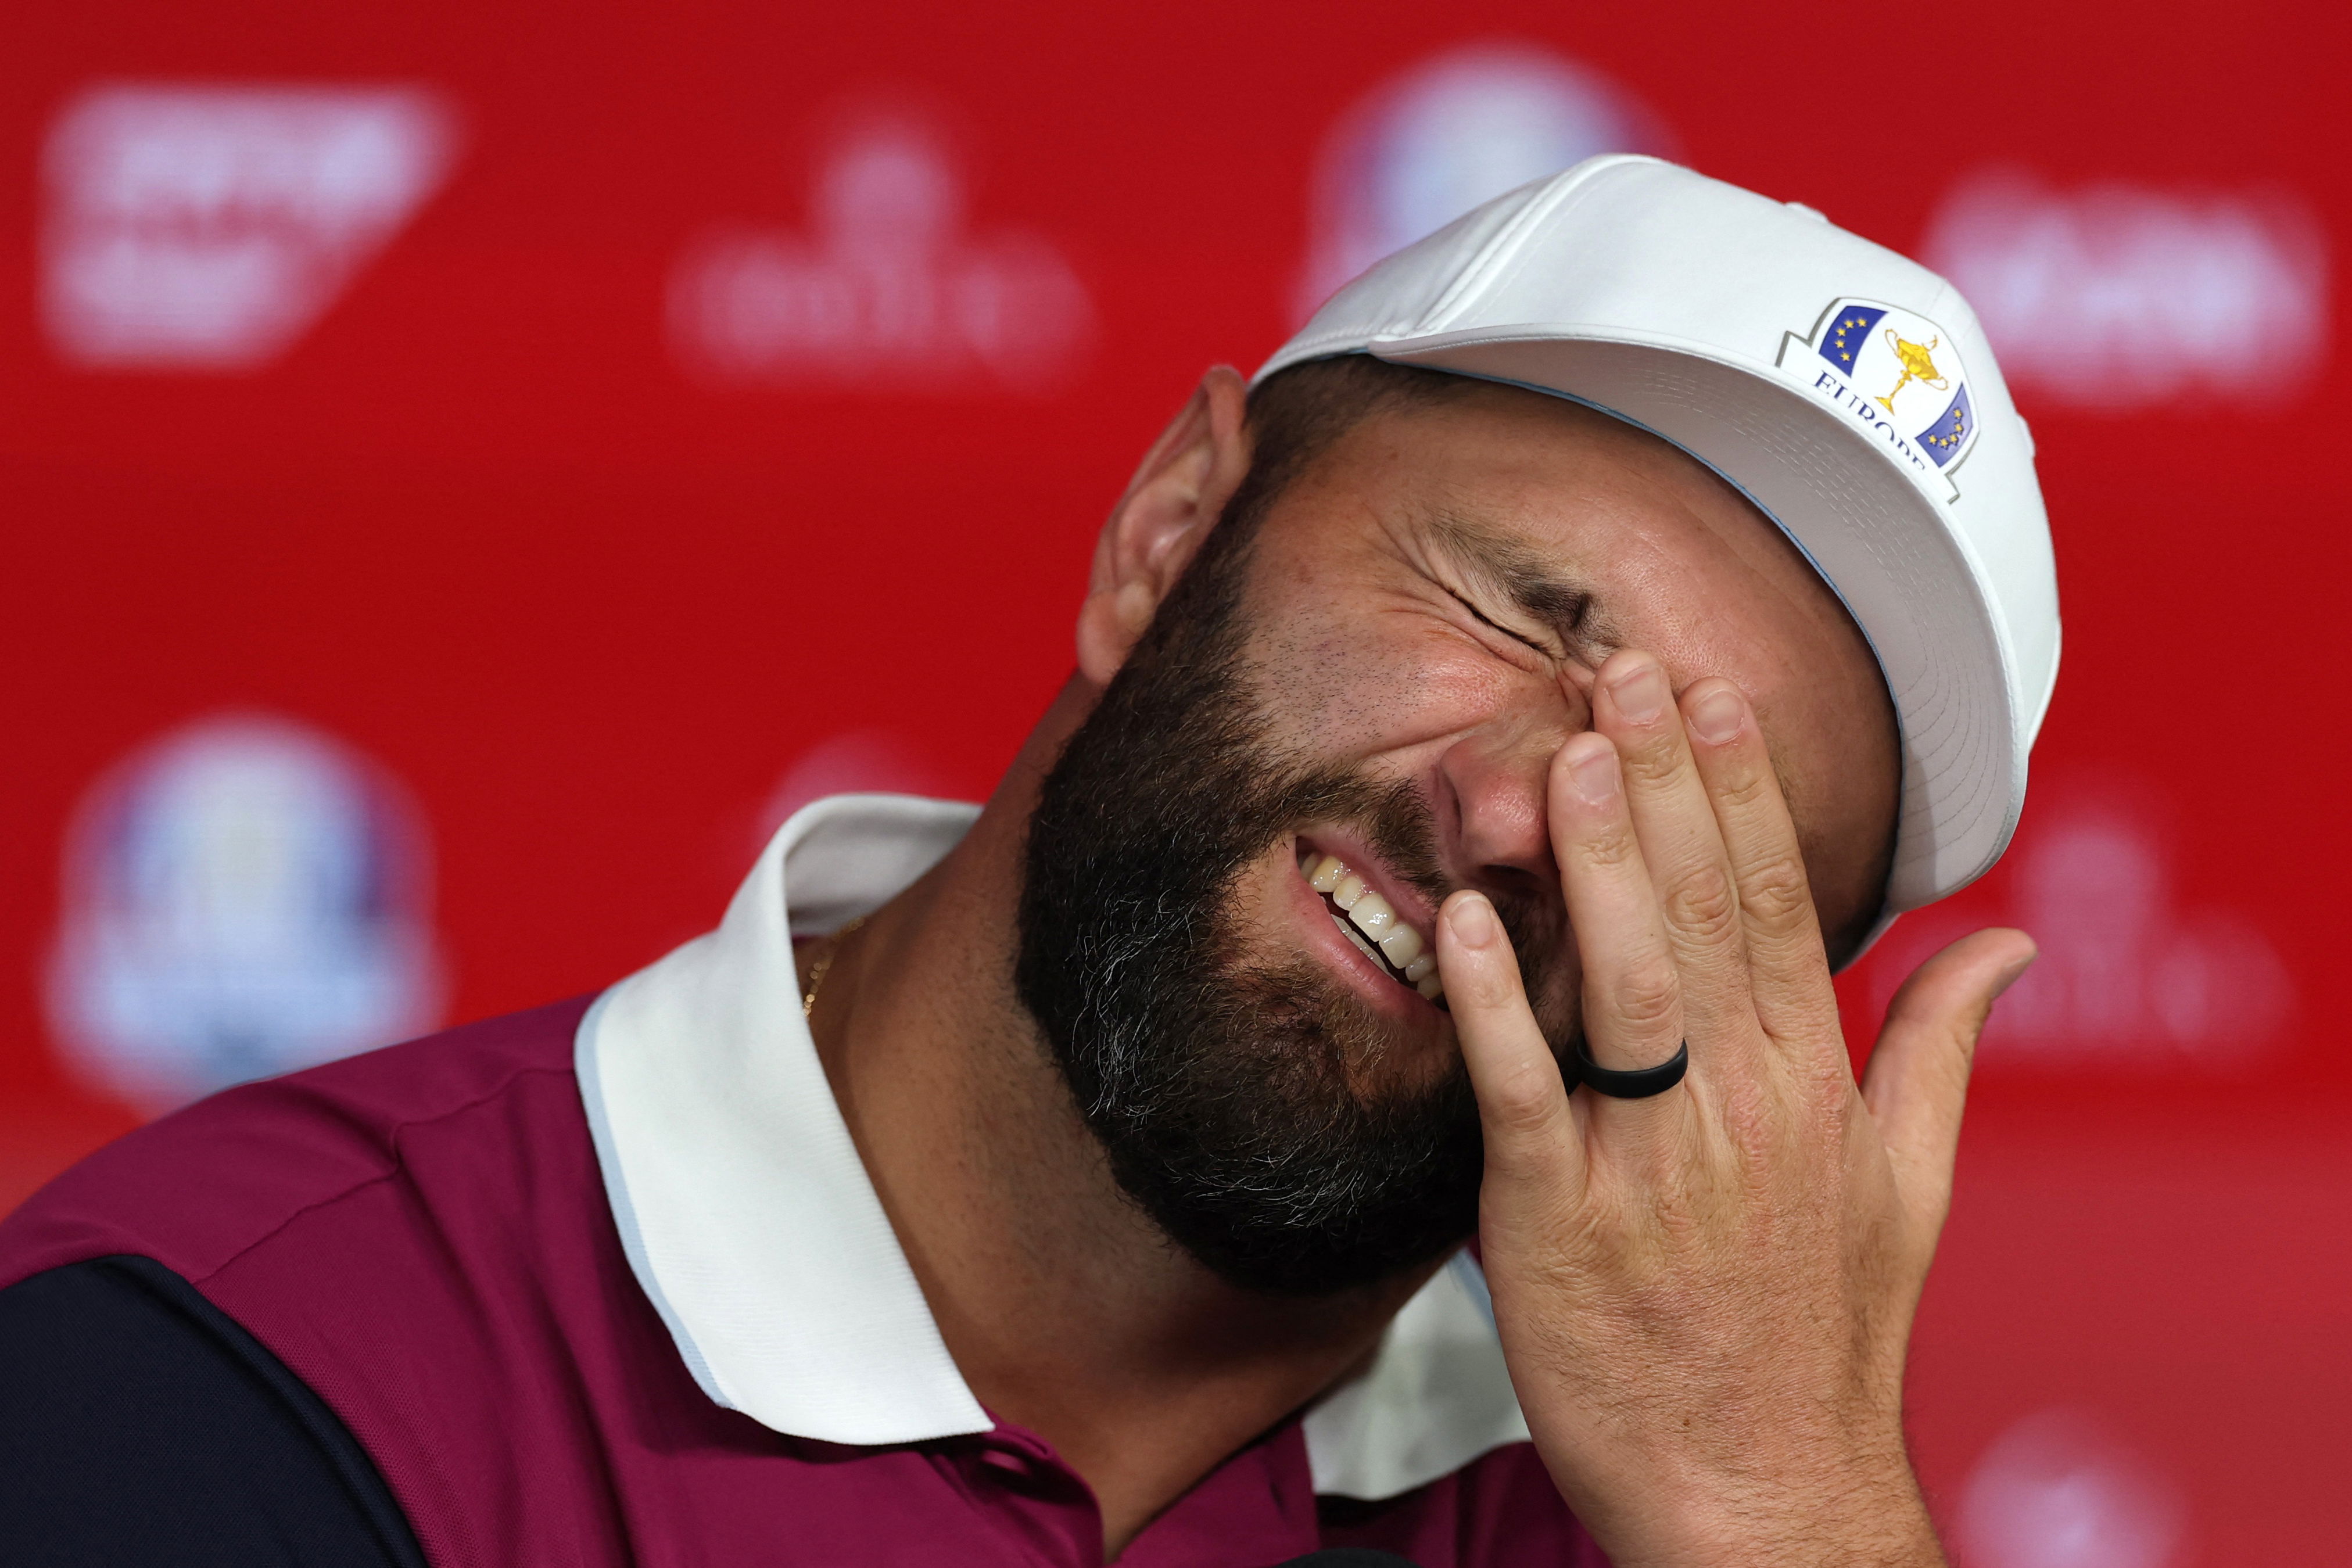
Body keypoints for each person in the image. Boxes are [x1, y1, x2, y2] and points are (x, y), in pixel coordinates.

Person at [0, 155, 2057, 1567]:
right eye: (1521, 614)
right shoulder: (247, 1362)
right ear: (1172, 531)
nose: (1533, 815)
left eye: (1706, 817)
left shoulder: (1670, 1518)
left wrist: (1786, 1504)